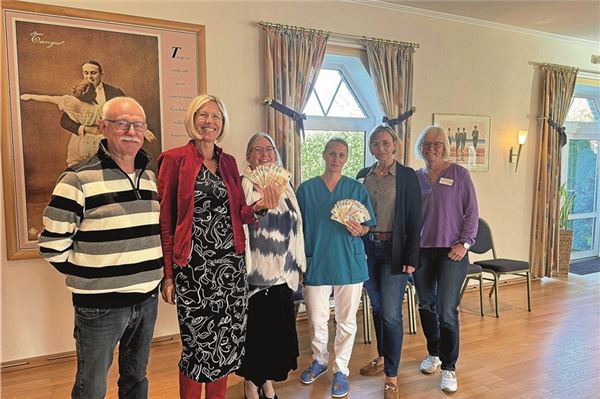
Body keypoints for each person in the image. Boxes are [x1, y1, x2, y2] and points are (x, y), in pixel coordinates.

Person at [37, 96, 164, 398]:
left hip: (146, 299)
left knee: (136, 377)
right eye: (122, 123)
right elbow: (53, 245)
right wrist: (92, 275)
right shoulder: (76, 179)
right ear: (104, 127)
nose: (131, 131)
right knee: (92, 384)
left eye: (138, 125)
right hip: (100, 305)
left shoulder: (149, 178)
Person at [157, 95, 279, 399]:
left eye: (216, 117)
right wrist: (169, 275)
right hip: (194, 270)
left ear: (222, 124)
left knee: (225, 344)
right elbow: (166, 221)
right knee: (197, 347)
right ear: (192, 118)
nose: (209, 122)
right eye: (203, 115)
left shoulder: (228, 162)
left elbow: (240, 213)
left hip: (230, 269)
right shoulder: (173, 159)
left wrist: (260, 206)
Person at [296, 138, 376, 398]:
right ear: (323, 155)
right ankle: (319, 361)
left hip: (348, 263)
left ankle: (341, 370)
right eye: (332, 153)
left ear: (346, 158)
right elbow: (296, 228)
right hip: (316, 260)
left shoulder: (356, 190)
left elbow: (368, 226)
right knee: (317, 318)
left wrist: (359, 229)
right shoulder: (306, 189)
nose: (336, 159)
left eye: (342, 155)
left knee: (346, 321)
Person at [236, 132, 306, 399]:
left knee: (277, 333)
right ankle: (250, 383)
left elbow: (296, 229)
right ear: (249, 157)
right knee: (257, 333)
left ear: (276, 155)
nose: (264, 155)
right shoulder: (243, 187)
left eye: (269, 149)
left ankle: (266, 381)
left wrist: (299, 266)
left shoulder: (285, 187)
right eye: (257, 150)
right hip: (257, 273)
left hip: (284, 272)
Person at [355, 125, 421, 399]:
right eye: (375, 145)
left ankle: (391, 376)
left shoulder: (407, 176)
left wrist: (411, 257)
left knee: (392, 313)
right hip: (368, 249)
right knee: (378, 307)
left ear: (395, 145)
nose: (380, 149)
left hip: (395, 251)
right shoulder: (363, 176)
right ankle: (382, 357)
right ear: (371, 149)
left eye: (385, 143)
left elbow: (416, 219)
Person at [412, 125, 479, 393]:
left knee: (447, 310)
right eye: (426, 143)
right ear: (420, 147)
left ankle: (449, 367)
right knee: (426, 305)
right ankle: (434, 353)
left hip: (453, 251)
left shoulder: (459, 174)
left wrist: (464, 244)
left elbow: (472, 212)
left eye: (437, 143)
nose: (432, 148)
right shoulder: (415, 177)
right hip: (422, 251)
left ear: (445, 146)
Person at [20, 79, 156, 166]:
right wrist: (143, 130)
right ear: (93, 95)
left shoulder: (67, 101)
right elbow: (123, 117)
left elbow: (47, 98)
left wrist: (30, 96)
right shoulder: (98, 110)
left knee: (78, 167)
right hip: (95, 141)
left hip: (78, 141)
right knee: (96, 169)